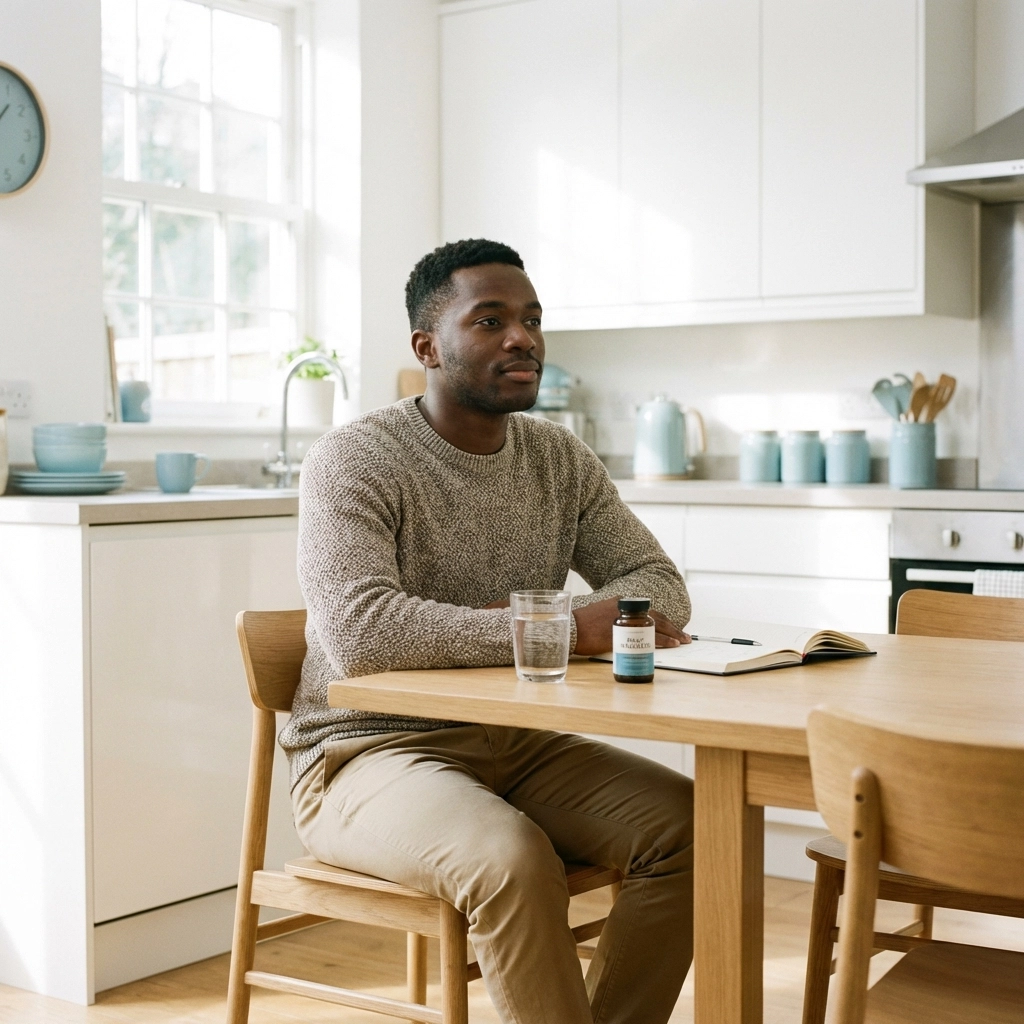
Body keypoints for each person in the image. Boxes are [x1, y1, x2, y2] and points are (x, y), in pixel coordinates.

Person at [280, 238, 694, 1024]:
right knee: (512, 861)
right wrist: (569, 629)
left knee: (693, 827)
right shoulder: (354, 459)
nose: (523, 338)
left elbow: (657, 584)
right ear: (428, 347)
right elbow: (365, 633)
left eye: (533, 319)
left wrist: (597, 620)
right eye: (492, 320)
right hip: (365, 751)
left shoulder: (556, 456)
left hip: (523, 737)